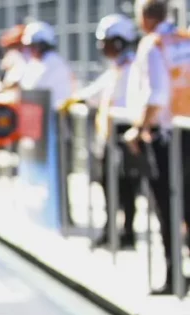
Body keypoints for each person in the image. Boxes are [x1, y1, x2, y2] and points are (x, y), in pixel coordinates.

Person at [126, 0, 190, 294]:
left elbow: (157, 95)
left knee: (167, 207)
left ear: (146, 16)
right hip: (186, 132)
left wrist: (139, 130)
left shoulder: (153, 45)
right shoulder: (185, 39)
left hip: (167, 136)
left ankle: (174, 277)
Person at [66, 14, 140, 250]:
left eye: (107, 42)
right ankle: (111, 230)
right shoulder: (118, 68)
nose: (103, 48)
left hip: (124, 134)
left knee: (126, 186)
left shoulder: (133, 68)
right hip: (109, 136)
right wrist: (76, 99)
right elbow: (97, 91)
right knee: (108, 185)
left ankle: (126, 232)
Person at [17, 22, 74, 110]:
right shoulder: (38, 62)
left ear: (42, 46)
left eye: (32, 46)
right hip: (43, 113)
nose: (29, 50)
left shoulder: (52, 62)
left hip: (53, 116)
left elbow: (30, 89)